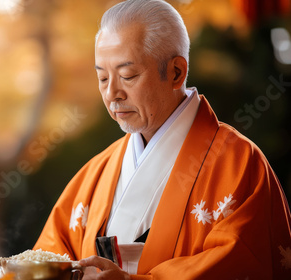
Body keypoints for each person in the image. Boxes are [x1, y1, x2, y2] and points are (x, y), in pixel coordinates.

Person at [33, 0, 291, 279]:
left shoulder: (239, 164)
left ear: (176, 72)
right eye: (103, 78)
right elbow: (49, 255)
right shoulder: (97, 171)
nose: (112, 94)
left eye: (127, 75)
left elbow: (241, 264)